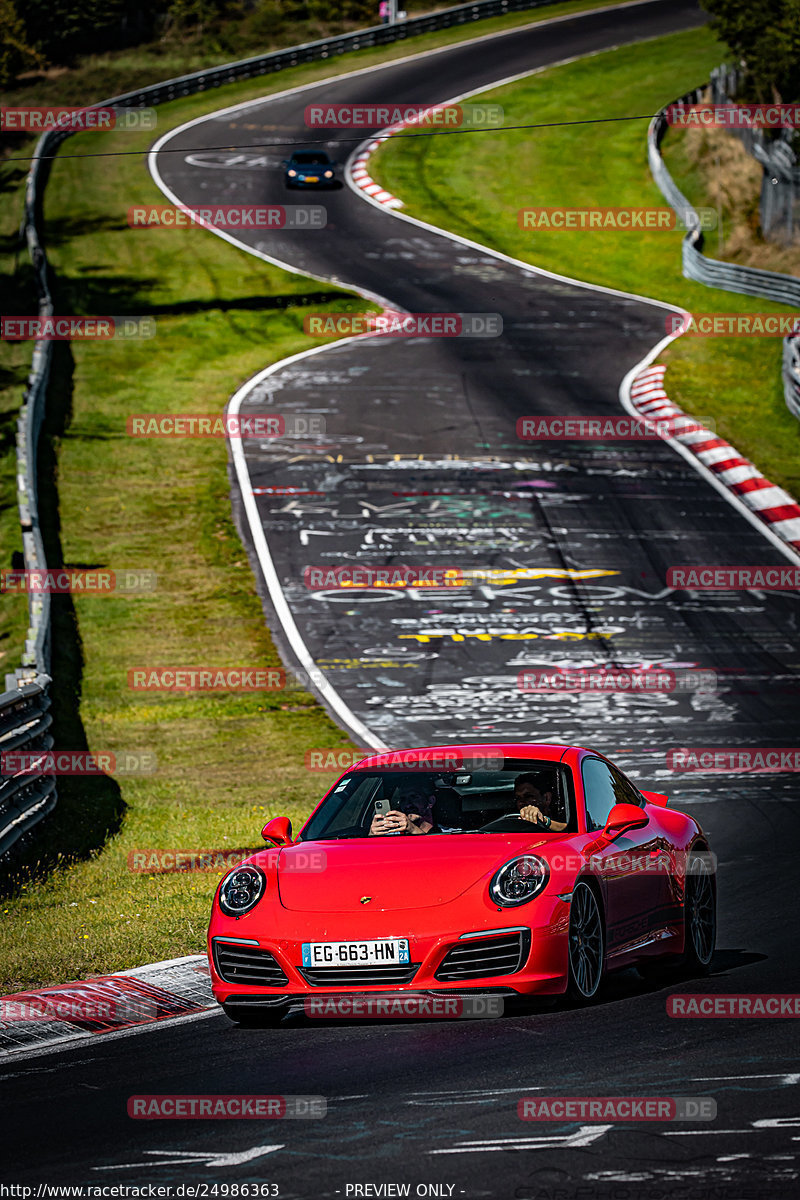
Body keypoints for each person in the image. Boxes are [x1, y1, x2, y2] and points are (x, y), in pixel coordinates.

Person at [370, 786, 434, 835]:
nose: (407, 805)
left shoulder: (443, 833)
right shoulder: (393, 834)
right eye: (403, 799)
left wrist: (413, 829)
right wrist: (372, 836)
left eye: (414, 797)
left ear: (431, 801)